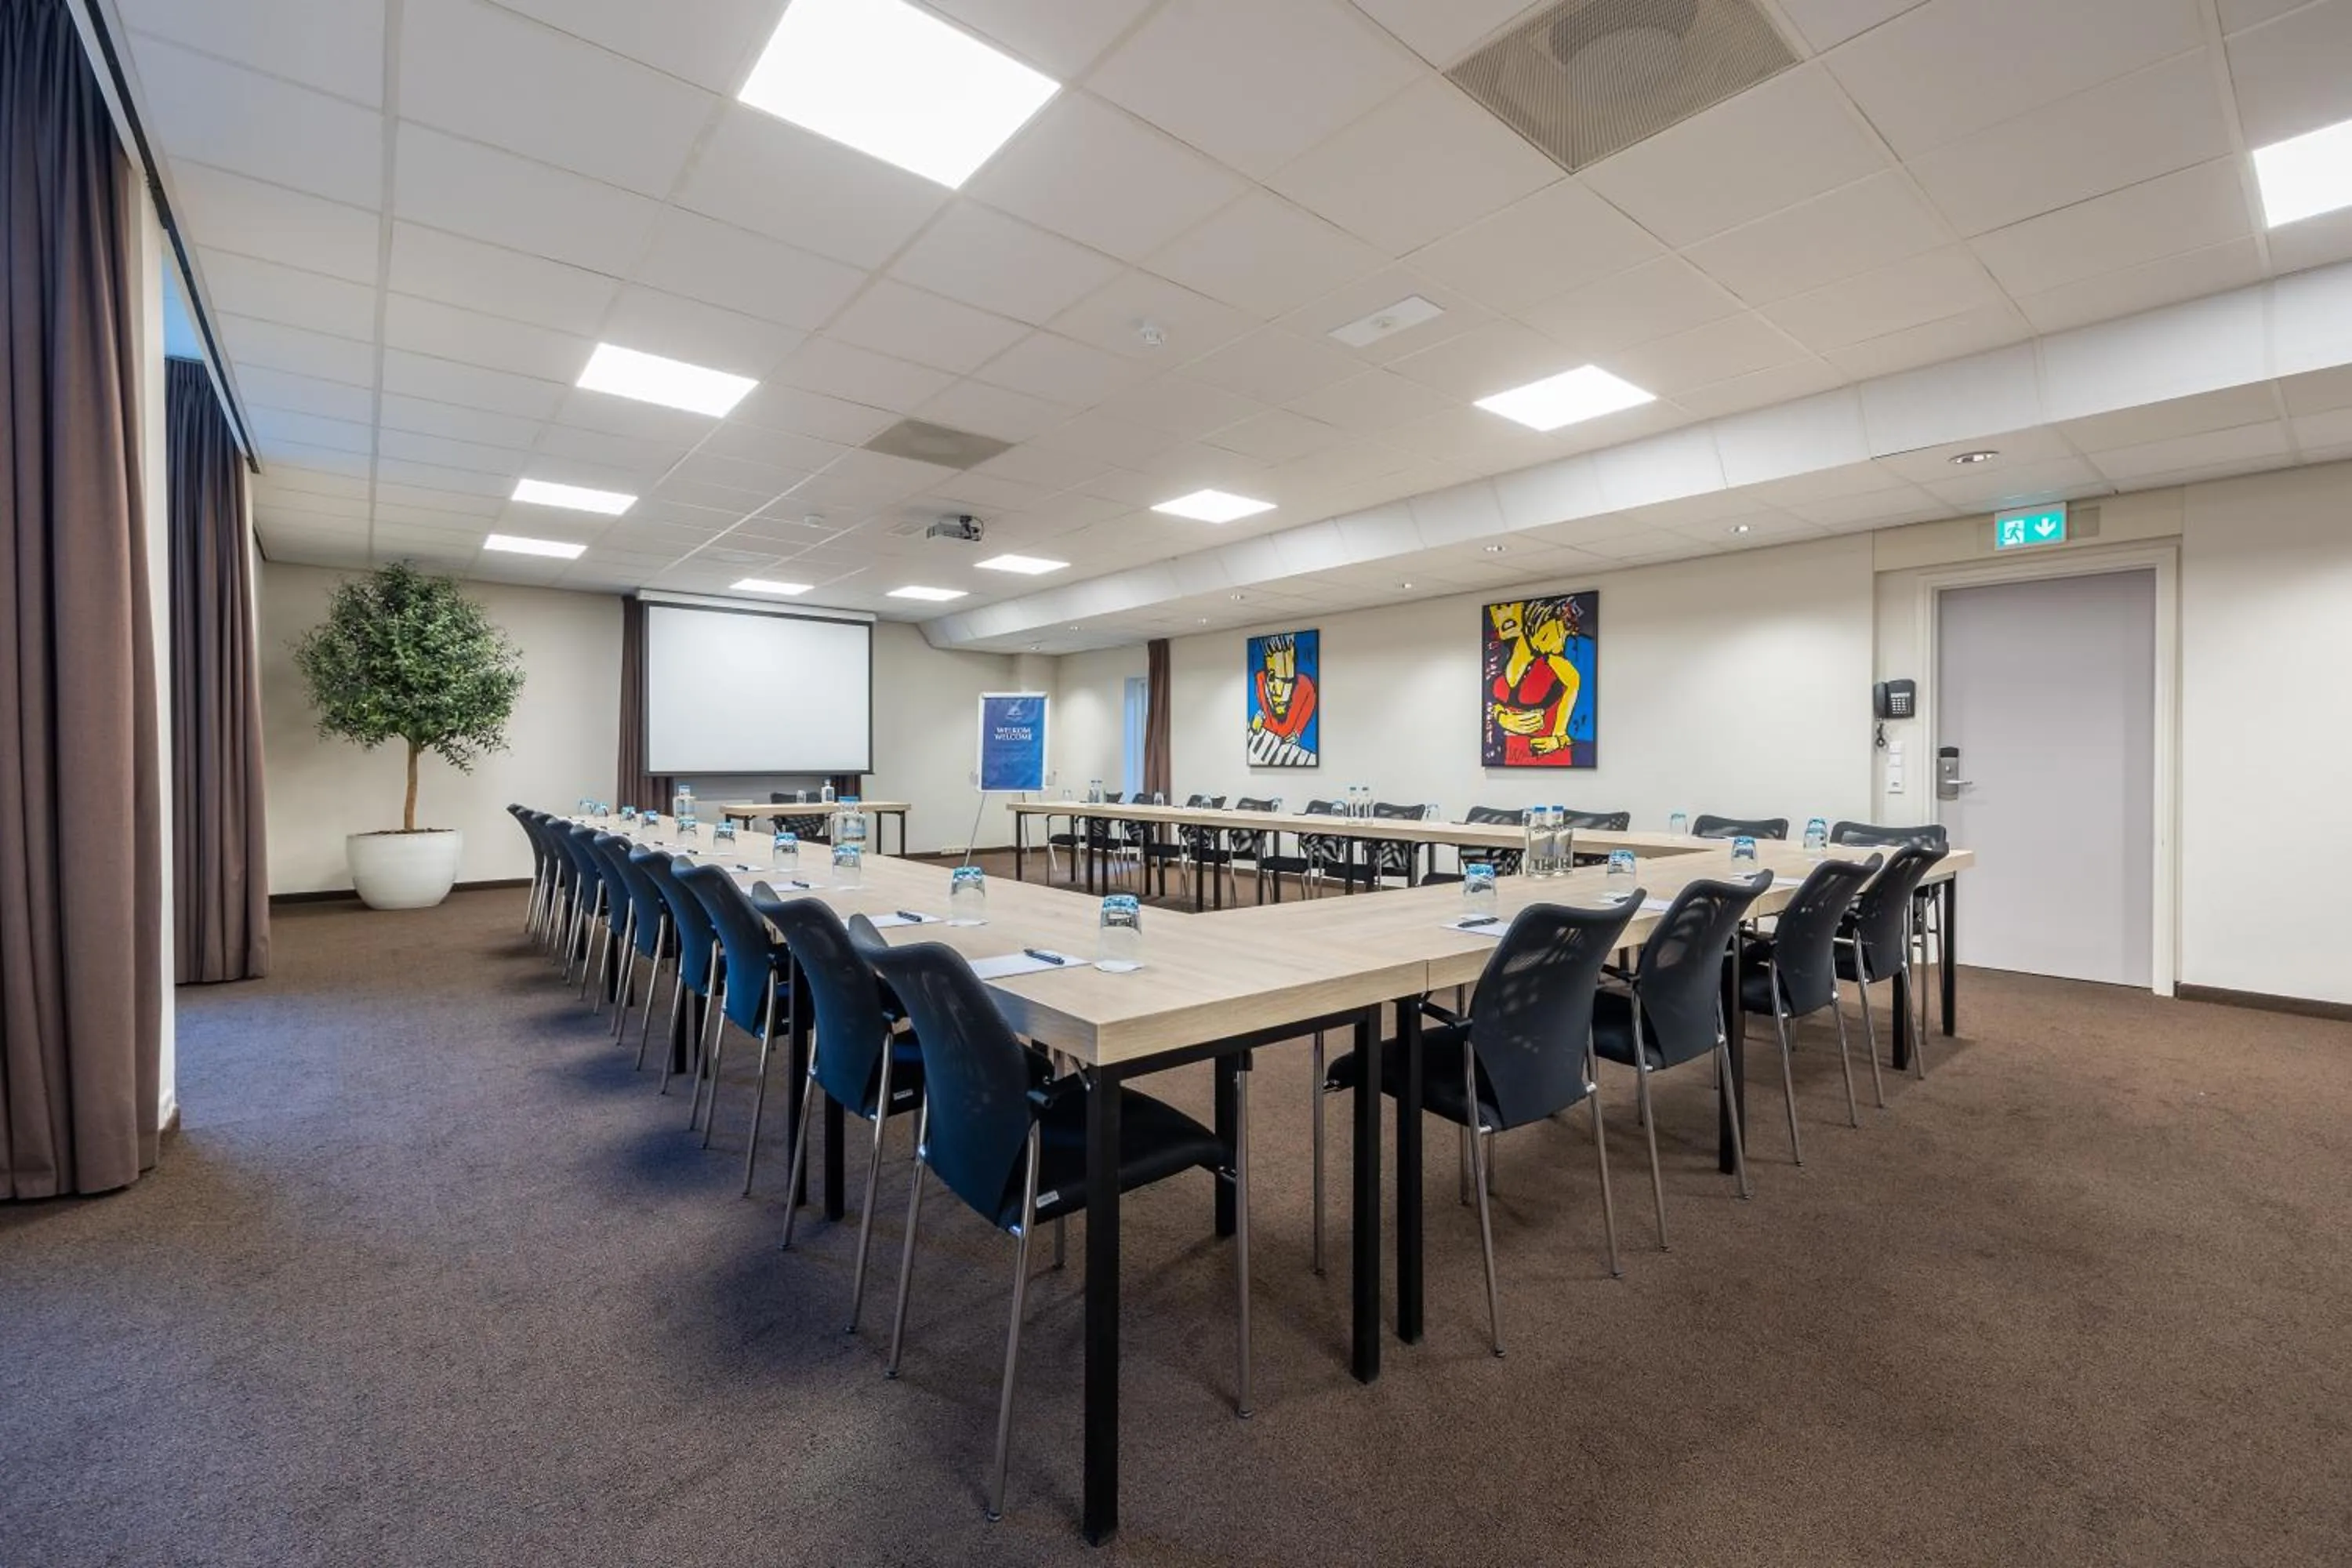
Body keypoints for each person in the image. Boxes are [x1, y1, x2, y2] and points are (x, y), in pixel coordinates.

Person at [1488, 597, 1584, 765]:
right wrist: (1502, 717)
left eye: (1564, 637)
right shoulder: (1502, 658)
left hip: (1550, 760)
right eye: (1557, 633)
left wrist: (1558, 738)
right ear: (1536, 622)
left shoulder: (1554, 661)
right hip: (1513, 758)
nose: (1559, 644)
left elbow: (1574, 683)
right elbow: (1494, 700)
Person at [1248, 633, 1317, 766]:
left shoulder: (1306, 687)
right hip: (1265, 746)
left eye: (1287, 681)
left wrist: (1297, 732)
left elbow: (1303, 717)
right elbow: (1263, 709)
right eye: (1272, 679)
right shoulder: (1260, 680)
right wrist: (1259, 716)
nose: (1279, 692)